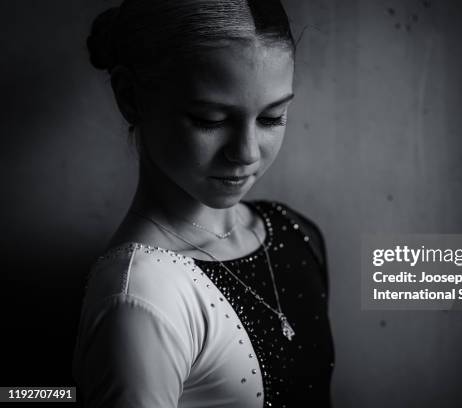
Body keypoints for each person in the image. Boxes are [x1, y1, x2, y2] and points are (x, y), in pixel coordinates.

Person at [71, 1, 335, 407]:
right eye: (210, 120)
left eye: (272, 117)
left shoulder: (293, 230)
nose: (246, 153)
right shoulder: (140, 297)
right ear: (130, 98)